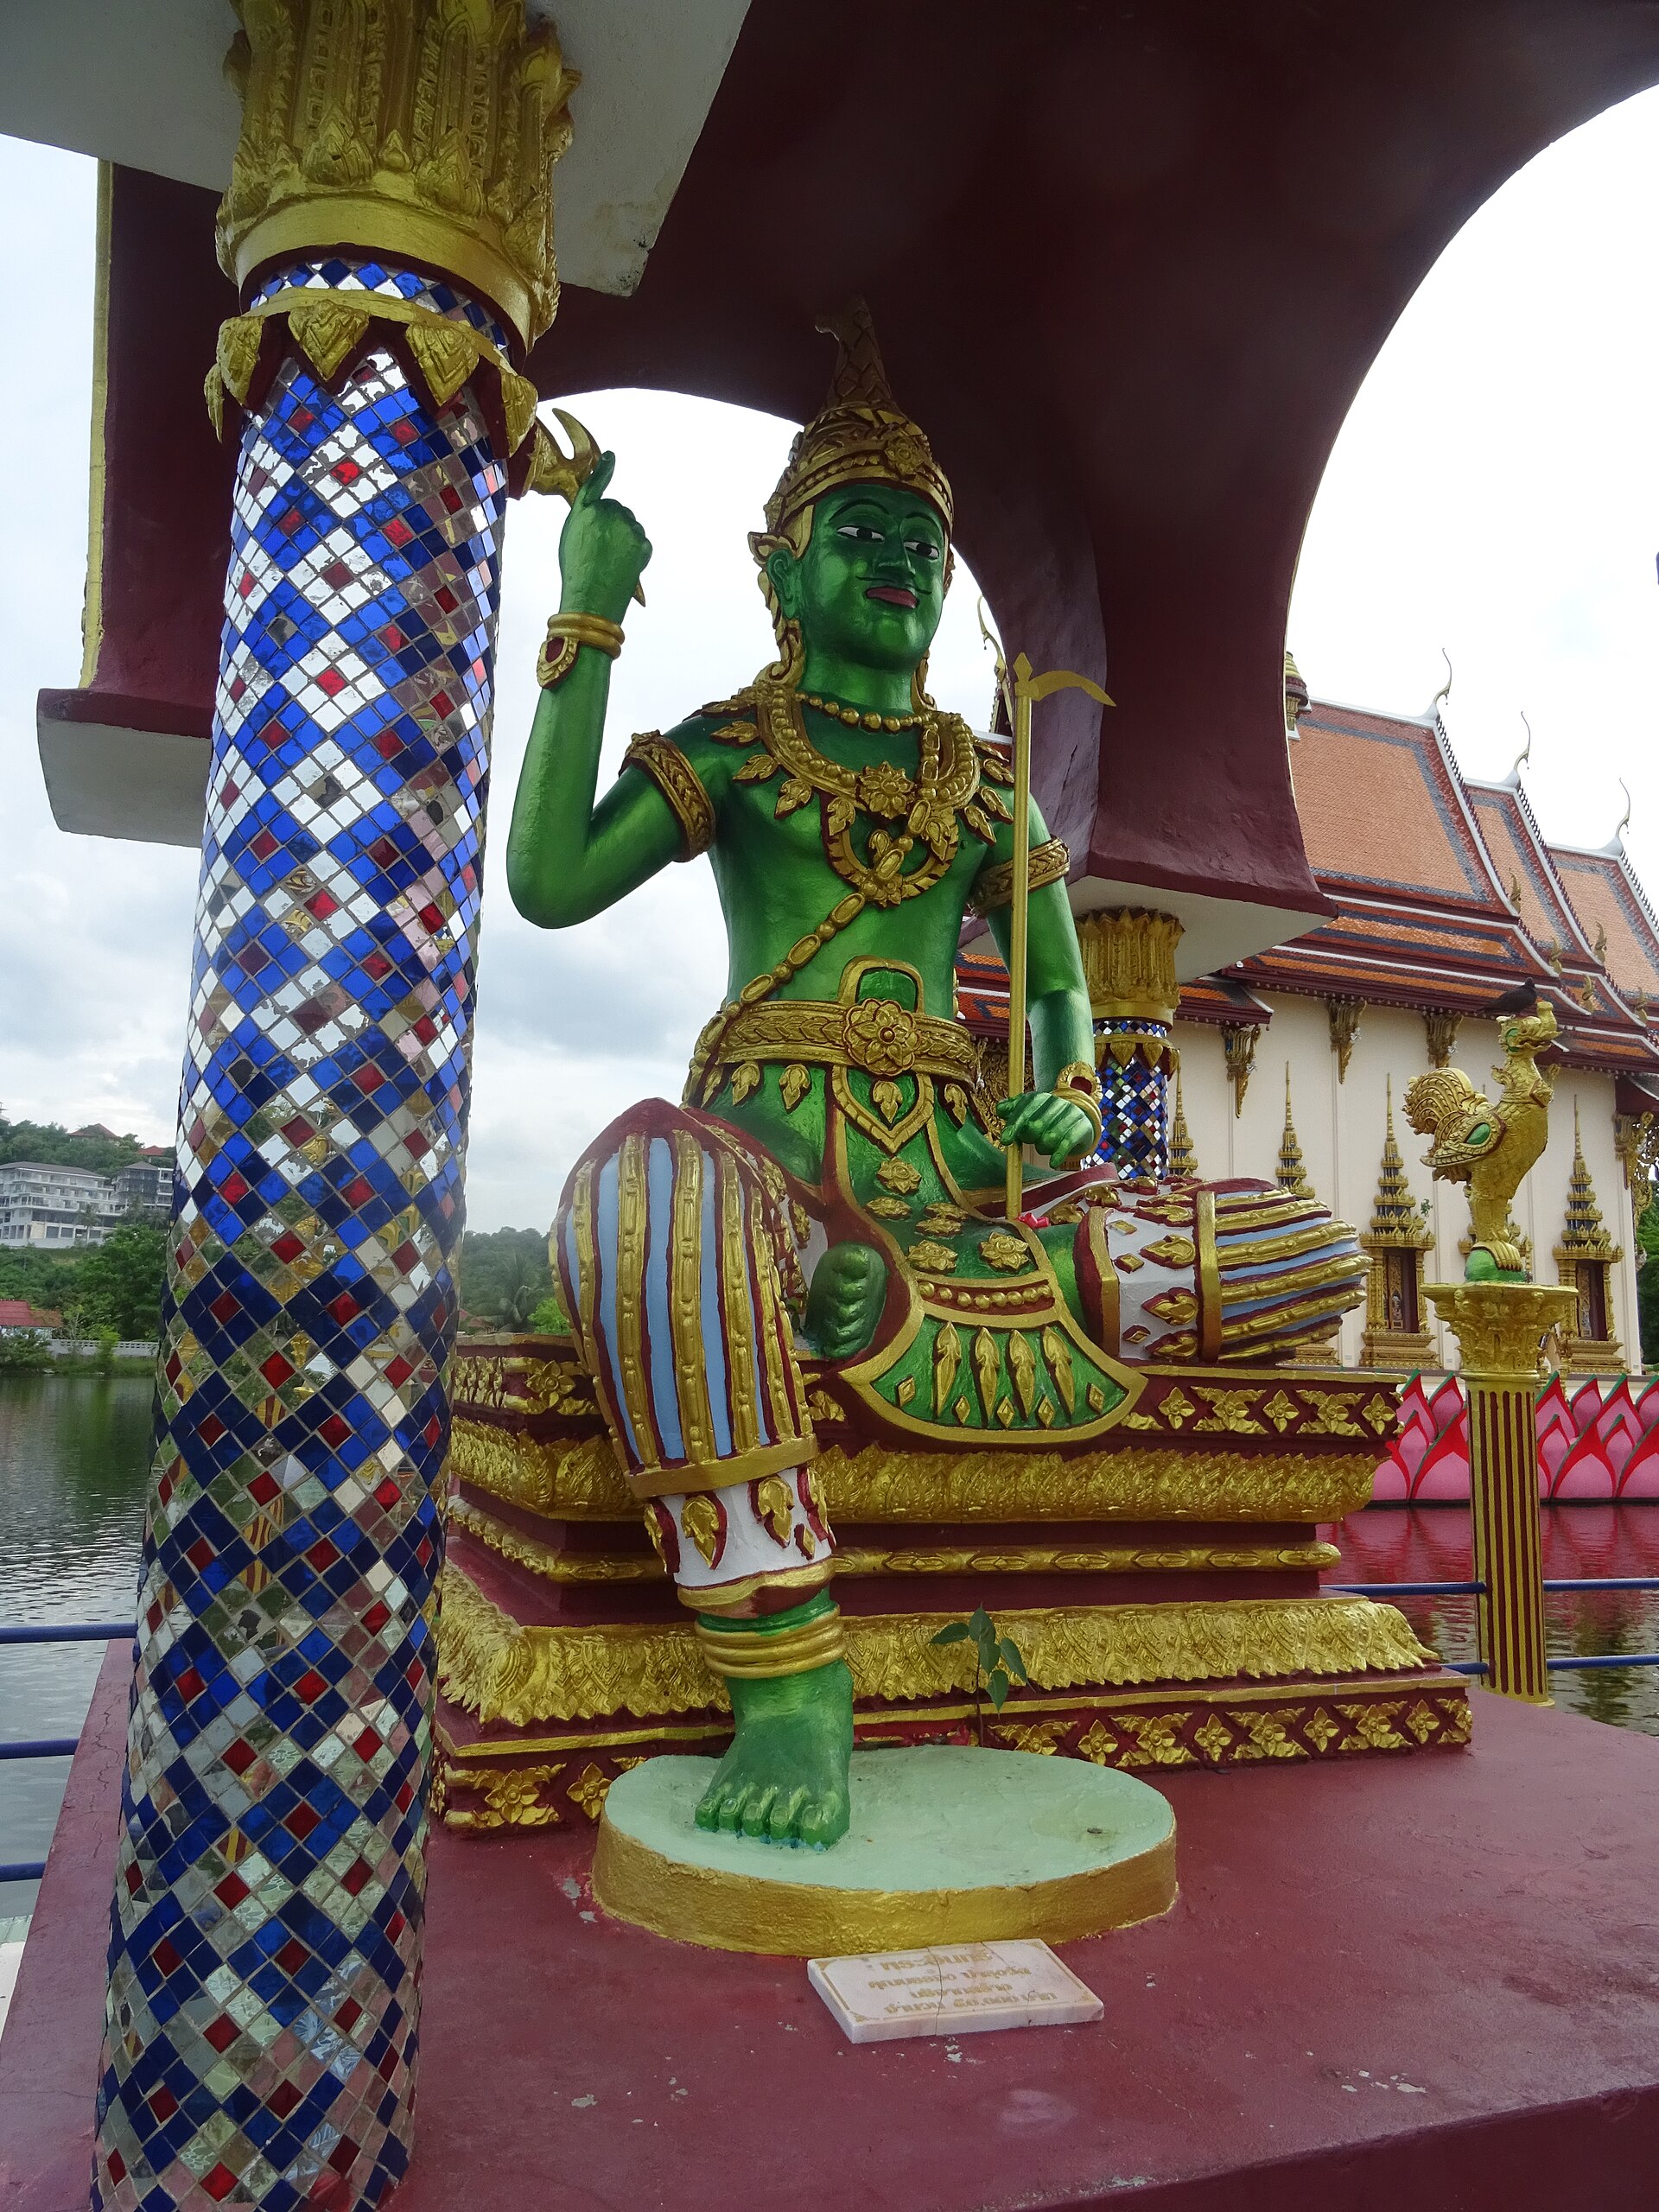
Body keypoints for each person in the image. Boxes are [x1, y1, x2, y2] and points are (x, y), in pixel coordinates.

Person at [506, 305, 1363, 1846]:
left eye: (920, 536)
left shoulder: (980, 780)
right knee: (644, 1207)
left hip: (975, 1186)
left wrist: (1058, 1101)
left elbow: (1052, 990)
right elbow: (554, 881)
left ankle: (857, 1302)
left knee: (1296, 1251)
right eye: (859, 531)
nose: (896, 559)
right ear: (779, 571)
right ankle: (783, 1669)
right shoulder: (745, 744)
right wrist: (587, 622)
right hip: (766, 1157)